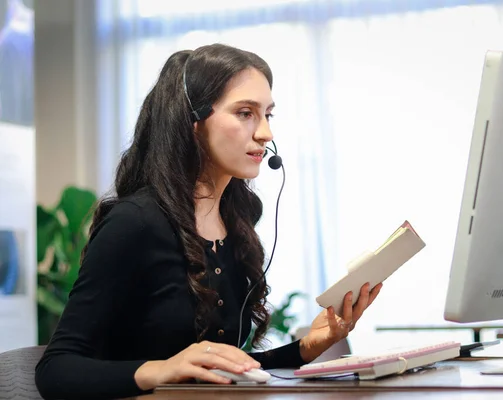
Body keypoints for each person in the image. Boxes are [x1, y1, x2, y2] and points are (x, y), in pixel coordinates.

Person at [34, 43, 382, 400]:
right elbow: (56, 370)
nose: (266, 134)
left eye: (268, 115)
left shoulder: (238, 220)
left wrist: (308, 346)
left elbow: (218, 370)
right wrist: (160, 370)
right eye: (246, 113)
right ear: (193, 121)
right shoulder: (135, 223)